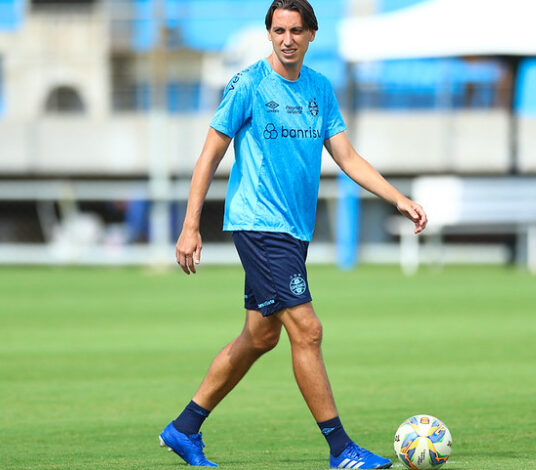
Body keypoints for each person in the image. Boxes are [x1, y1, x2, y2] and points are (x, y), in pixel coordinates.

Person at [160, 1, 427, 468]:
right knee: (308, 330)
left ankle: (184, 428)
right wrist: (189, 226)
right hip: (259, 225)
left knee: (261, 337)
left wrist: (397, 197)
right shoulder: (248, 84)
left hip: (292, 230)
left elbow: (348, 157)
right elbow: (208, 156)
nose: (287, 39)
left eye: (296, 30)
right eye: (279, 30)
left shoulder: (320, 89)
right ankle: (341, 450)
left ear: (311, 35)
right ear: (268, 34)